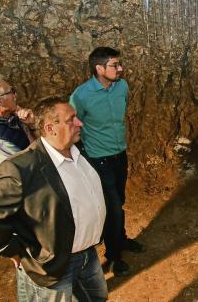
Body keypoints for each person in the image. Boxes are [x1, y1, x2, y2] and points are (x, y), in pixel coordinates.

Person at [0, 96, 108, 301]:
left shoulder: (77, 150)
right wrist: (13, 250)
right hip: (52, 266)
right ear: (51, 128)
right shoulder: (23, 166)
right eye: (71, 119)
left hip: (88, 255)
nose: (80, 123)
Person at [70, 47, 144, 276]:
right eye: (115, 65)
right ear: (99, 68)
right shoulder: (81, 95)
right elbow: (73, 124)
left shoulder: (122, 86)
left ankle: (120, 239)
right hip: (97, 158)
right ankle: (114, 256)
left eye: (119, 64)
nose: (120, 69)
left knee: (119, 201)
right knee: (112, 207)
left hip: (119, 153)